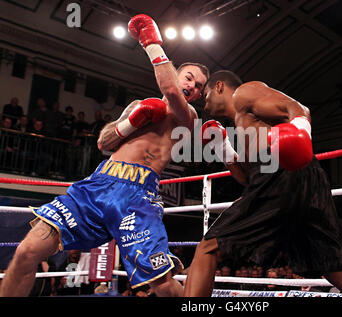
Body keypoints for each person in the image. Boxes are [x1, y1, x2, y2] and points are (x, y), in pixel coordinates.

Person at [0, 13, 208, 297]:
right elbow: (103, 142)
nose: (193, 88)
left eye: (198, 87)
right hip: (98, 184)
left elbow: (170, 89)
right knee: (26, 250)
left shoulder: (187, 116)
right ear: (177, 73)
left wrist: (151, 43)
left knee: (161, 284)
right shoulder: (140, 105)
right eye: (190, 78)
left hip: (136, 195)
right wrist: (131, 122)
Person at [183, 70, 342, 297]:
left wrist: (299, 134)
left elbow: (298, 109)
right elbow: (248, 179)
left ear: (220, 86)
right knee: (339, 275)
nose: (203, 98)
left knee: (208, 247)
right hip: (298, 179)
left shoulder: (244, 93)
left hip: (286, 174)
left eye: (205, 92)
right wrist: (223, 146)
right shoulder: (243, 125)